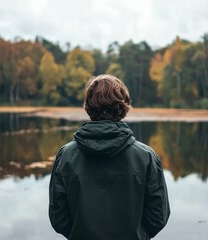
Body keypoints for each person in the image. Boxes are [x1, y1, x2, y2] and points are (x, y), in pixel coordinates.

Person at [49, 74, 170, 240]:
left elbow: (59, 218)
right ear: (124, 106)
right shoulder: (146, 157)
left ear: (88, 106)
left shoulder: (66, 155)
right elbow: (157, 218)